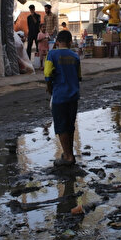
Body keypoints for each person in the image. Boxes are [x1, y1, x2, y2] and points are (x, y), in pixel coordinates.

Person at [43, 29, 81, 167]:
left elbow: (47, 74)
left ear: (57, 42)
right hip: (73, 96)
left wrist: (50, 88)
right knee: (70, 126)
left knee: (61, 127)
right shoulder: (75, 57)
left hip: (59, 96)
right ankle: (69, 154)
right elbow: (78, 76)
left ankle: (68, 156)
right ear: (70, 42)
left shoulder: (52, 54)